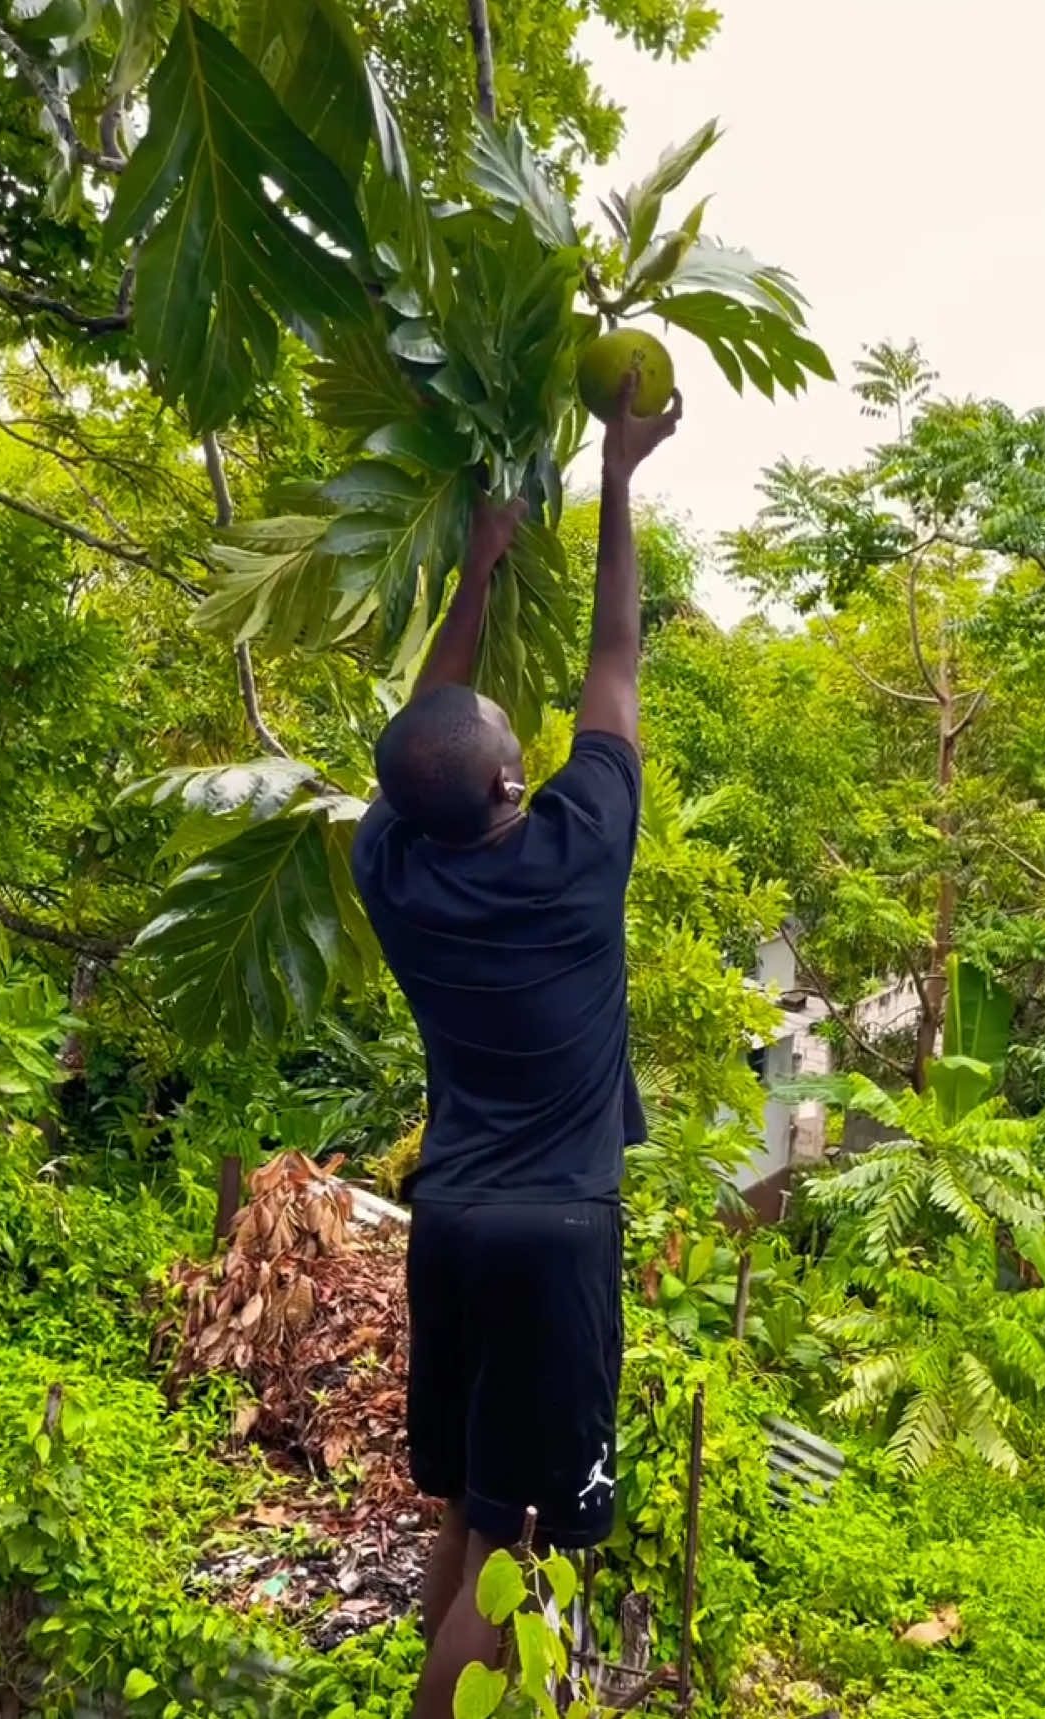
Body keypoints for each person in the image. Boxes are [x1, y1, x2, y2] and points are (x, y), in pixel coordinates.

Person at [352, 374, 683, 1719]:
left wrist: (474, 570)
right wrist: (617, 473)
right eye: (511, 748)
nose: (526, 747)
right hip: (553, 1239)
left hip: (453, 1225)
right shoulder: (575, 849)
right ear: (506, 785)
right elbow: (617, 660)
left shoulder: (399, 872)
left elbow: (424, 737)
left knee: (468, 1517)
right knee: (515, 1540)